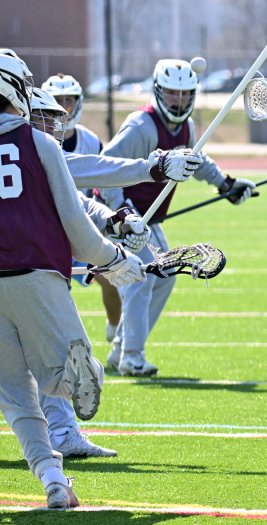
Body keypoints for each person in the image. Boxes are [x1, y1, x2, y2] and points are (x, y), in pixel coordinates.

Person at [0, 53, 145, 508]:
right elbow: (77, 226)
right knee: (63, 379)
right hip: (38, 275)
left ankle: (53, 481)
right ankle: (79, 374)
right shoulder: (39, 143)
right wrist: (113, 259)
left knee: (16, 399)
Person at [28, 87, 199, 459]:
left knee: (48, 360)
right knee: (49, 360)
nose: (54, 125)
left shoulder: (37, 151)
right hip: (26, 275)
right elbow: (91, 174)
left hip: (34, 272)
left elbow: (80, 200)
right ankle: (59, 441)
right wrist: (114, 255)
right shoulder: (30, 151)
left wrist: (116, 221)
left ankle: (61, 438)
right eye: (45, 118)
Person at [100, 58, 256, 377]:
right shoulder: (141, 126)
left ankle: (121, 349)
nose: (179, 100)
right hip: (119, 218)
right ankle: (132, 357)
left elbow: (197, 159)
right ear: (159, 91)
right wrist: (123, 212)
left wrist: (225, 184)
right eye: (173, 93)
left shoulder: (187, 127)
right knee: (143, 277)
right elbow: (103, 169)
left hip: (148, 221)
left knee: (165, 274)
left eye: (186, 94)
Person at [42, 73, 123, 343]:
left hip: (80, 227)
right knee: (55, 296)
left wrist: (116, 216)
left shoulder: (90, 141)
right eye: (58, 100)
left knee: (111, 279)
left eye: (70, 100)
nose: (64, 106)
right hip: (46, 232)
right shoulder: (37, 139)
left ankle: (116, 333)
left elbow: (103, 183)